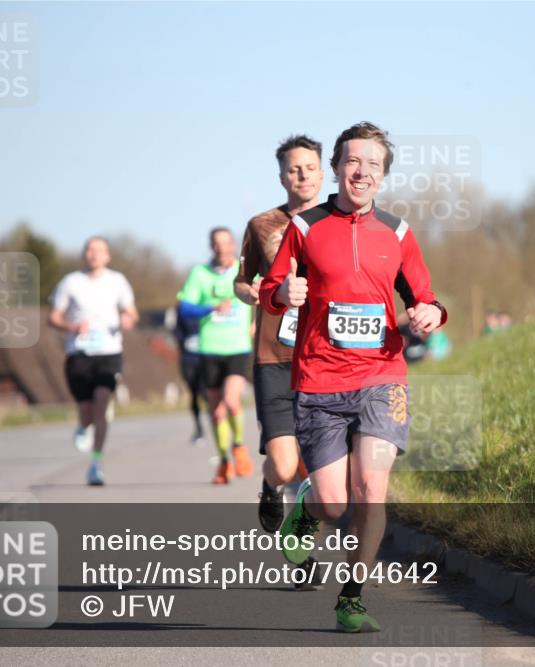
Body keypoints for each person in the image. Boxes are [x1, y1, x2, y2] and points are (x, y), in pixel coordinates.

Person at [260, 122, 447, 632]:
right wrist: (282, 295)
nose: (361, 171)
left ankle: (353, 597)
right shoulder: (305, 229)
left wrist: (431, 312)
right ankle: (306, 510)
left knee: (371, 487)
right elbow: (272, 288)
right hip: (319, 378)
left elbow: (424, 295)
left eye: (373, 164)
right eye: (352, 162)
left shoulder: (398, 233)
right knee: (334, 500)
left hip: (382, 376)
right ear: (338, 168)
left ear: (383, 175)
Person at [234, 135, 322, 534]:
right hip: (275, 355)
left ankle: (302, 547)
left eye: (309, 167)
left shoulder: (338, 222)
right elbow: (241, 280)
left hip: (325, 356)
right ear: (282, 176)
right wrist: (250, 291)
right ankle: (271, 484)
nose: (302, 175)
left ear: (323, 173)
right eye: (293, 168)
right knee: (285, 465)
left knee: (318, 467)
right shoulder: (262, 225)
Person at [49, 236, 138, 486]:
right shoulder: (70, 282)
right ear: (84, 254)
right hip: (79, 354)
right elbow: (53, 316)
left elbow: (131, 311)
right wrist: (71, 325)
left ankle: (96, 464)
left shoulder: (117, 281)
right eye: (89, 249)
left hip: (109, 353)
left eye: (99, 250)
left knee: (102, 403)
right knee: (87, 412)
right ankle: (82, 425)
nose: (94, 254)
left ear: (107, 256)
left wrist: (128, 319)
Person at [177, 227, 254, 484]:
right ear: (211, 246)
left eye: (226, 242)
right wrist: (210, 307)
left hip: (238, 347)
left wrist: (258, 322)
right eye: (216, 243)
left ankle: (239, 447)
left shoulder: (243, 271)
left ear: (233, 244)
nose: (222, 248)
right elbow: (185, 309)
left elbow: (265, 294)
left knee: (232, 402)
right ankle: (223, 462)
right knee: (216, 411)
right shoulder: (199, 274)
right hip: (209, 349)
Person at [173, 308, 206, 446]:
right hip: (188, 360)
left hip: (206, 359)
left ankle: (219, 423)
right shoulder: (182, 311)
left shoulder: (207, 306)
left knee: (208, 393)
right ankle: (199, 429)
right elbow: (176, 332)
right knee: (193, 393)